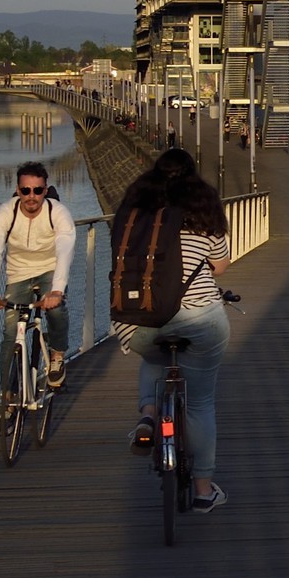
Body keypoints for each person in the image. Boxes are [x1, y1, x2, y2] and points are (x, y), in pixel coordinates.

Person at [113, 147, 232, 513]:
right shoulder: (203, 212)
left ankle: (149, 414)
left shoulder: (136, 212)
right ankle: (202, 489)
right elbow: (221, 265)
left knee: (152, 352)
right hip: (200, 320)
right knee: (200, 403)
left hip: (139, 319)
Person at [0, 163, 75, 397]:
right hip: (18, 273)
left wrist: (57, 290)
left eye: (37, 190)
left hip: (49, 270)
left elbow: (64, 250)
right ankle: (7, 396)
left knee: (55, 310)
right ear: (17, 190)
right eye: (25, 191)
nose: (31, 196)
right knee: (10, 332)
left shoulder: (58, 212)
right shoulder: (6, 212)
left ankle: (57, 355)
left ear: (45, 190)